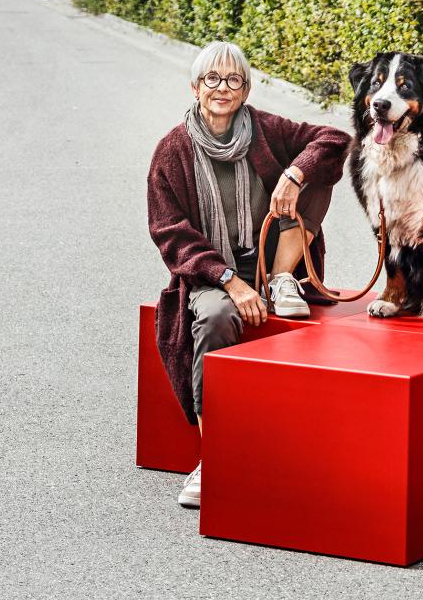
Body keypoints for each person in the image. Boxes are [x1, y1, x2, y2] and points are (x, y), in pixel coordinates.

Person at [147, 41, 351, 508]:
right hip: (211, 273)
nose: (222, 88)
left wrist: (294, 174)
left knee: (317, 171)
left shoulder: (265, 130)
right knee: (216, 318)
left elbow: (335, 140)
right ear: (195, 87)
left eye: (233, 80)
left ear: (246, 90)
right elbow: (169, 233)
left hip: (268, 256)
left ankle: (282, 279)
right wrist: (229, 281)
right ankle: (213, 455)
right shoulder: (172, 151)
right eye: (212, 79)